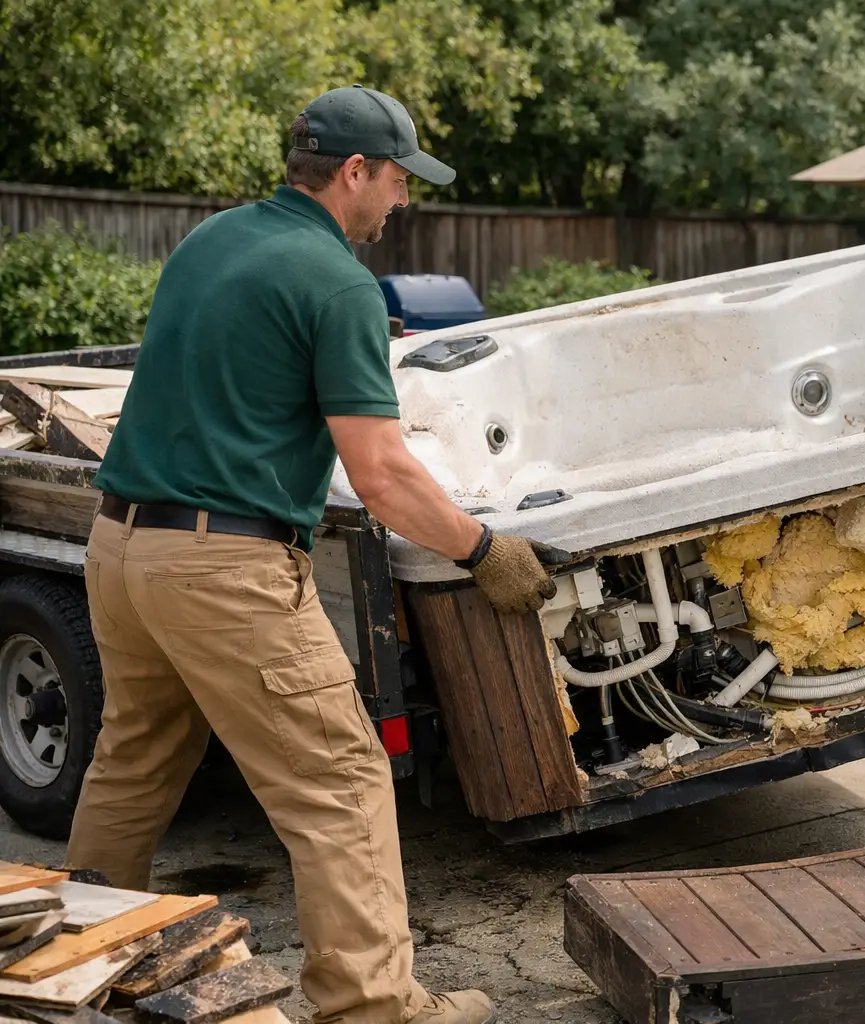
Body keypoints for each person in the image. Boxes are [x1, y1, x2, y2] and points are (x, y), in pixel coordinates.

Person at [65, 85, 554, 1024]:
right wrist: (484, 549)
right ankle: (374, 1007)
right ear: (356, 171)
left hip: (122, 547)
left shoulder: (216, 238)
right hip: (223, 572)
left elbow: (232, 361)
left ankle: (81, 960)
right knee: (341, 783)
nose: (404, 201)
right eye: (400, 179)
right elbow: (382, 478)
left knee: (133, 759)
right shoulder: (337, 285)